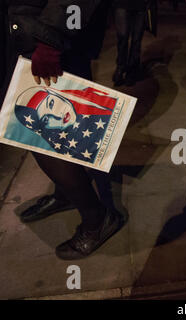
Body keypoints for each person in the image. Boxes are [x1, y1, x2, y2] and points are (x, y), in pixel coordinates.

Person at [3, 0, 124, 260]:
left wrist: (50, 40)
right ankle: (67, 192)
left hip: (46, 34)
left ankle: (97, 219)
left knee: (38, 137)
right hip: (29, 30)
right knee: (45, 132)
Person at [112, 0, 148, 86]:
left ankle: (132, 70)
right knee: (122, 37)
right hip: (122, 3)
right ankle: (121, 67)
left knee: (136, 39)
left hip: (141, 4)